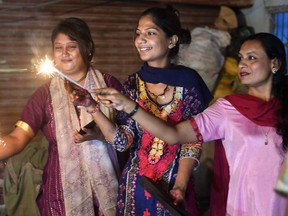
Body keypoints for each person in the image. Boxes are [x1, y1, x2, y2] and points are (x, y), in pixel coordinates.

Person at [91, 32, 288, 216]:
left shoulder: (284, 110)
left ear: (275, 64)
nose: (243, 64)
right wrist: (130, 107)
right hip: (242, 206)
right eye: (241, 58)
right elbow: (174, 134)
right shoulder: (228, 110)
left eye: (251, 58)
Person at [72, 6, 212, 216]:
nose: (140, 40)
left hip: (174, 187)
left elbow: (192, 142)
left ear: (172, 41)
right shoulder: (132, 85)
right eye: (138, 34)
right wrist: (93, 108)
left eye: (150, 33)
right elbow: (123, 141)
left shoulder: (189, 83)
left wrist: (180, 185)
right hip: (135, 187)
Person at [0, 17, 124, 215]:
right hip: (60, 198)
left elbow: (130, 136)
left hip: (110, 192)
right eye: (58, 48)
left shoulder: (109, 85)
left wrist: (100, 136)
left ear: (88, 47)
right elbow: (17, 138)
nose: (64, 53)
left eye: (71, 46)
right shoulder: (44, 94)